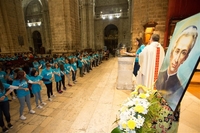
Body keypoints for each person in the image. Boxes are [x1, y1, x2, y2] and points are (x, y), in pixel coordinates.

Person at [155, 25, 198, 110]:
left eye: (183, 53)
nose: (177, 59)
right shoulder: (160, 77)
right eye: (177, 51)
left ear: (185, 58)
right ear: (172, 51)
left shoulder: (178, 89)